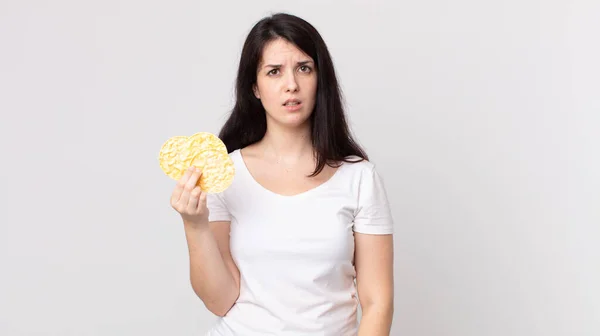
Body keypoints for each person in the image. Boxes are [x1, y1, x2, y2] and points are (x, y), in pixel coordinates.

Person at [170, 12, 394, 336]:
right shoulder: (225, 173)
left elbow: (377, 303)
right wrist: (195, 225)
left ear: (320, 78)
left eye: (304, 68)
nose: (292, 85)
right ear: (255, 88)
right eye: (274, 72)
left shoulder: (359, 178)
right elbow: (220, 300)